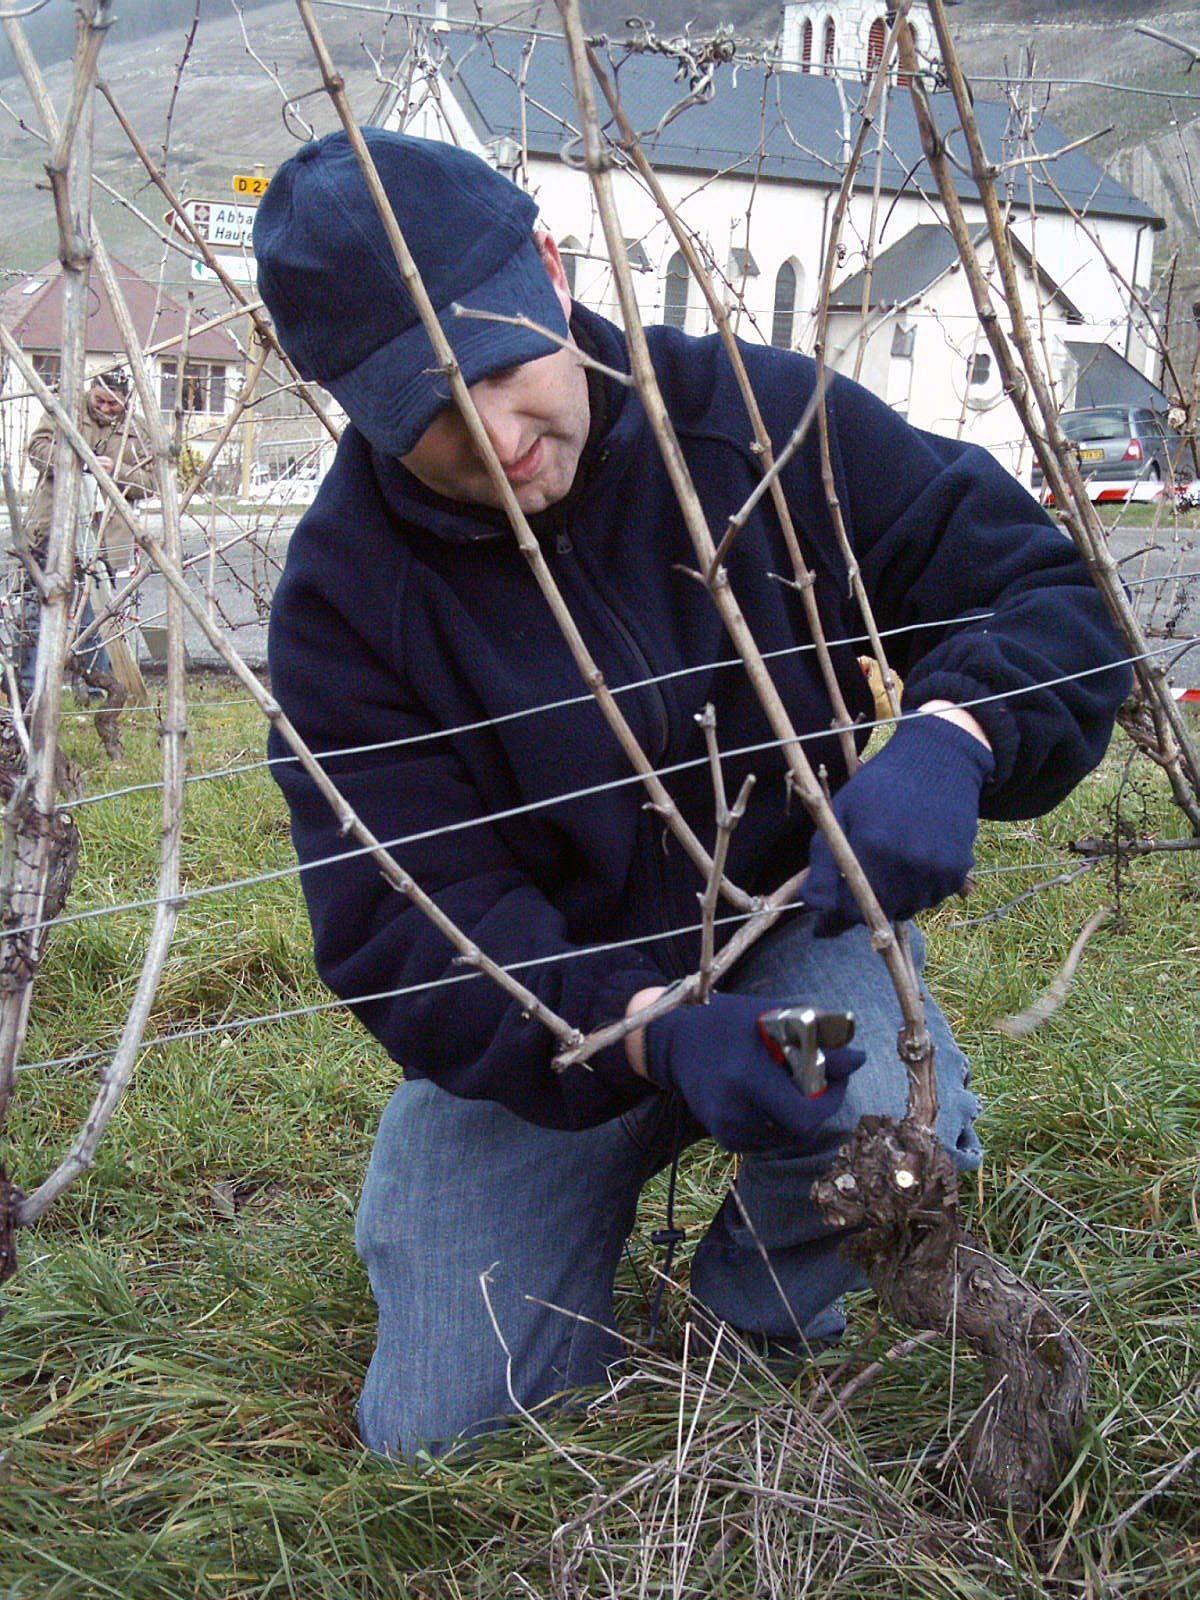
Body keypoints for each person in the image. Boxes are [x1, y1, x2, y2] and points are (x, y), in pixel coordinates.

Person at [253, 129, 1131, 1463]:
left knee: (897, 1115)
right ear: (342, 399)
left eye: (499, 363)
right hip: (560, 1014)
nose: (493, 435)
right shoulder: (343, 605)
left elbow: (1047, 594)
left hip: (789, 941)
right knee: (443, 1430)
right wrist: (650, 1031)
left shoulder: (758, 425)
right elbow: (402, 923)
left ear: (547, 268)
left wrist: (955, 736)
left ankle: (740, 1337)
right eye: (421, 407)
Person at [19, 371, 154, 713]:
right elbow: (36, 450)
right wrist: (76, 459)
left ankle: (95, 694)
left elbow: (152, 482)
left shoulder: (137, 430)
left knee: (94, 620)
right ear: (90, 391)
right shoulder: (63, 410)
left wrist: (115, 471)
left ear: (126, 399)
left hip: (101, 543)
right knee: (38, 613)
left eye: (114, 403)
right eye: (100, 401)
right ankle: (29, 693)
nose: (106, 409)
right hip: (50, 532)